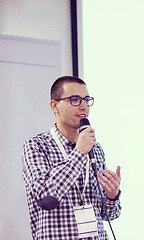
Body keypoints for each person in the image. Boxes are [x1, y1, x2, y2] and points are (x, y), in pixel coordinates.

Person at [22, 76, 121, 240]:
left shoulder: (96, 149)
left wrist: (112, 196)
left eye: (86, 99)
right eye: (75, 99)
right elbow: (45, 198)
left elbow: (108, 215)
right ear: (54, 106)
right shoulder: (36, 146)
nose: (84, 106)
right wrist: (79, 152)